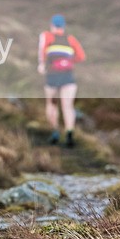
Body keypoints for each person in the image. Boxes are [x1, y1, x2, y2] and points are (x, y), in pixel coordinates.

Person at [38, 14, 86, 147]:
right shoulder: (71, 39)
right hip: (68, 76)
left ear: (52, 25)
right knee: (68, 106)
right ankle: (69, 133)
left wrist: (41, 65)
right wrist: (69, 61)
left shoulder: (47, 36)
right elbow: (82, 56)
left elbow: (42, 52)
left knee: (51, 104)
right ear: (64, 26)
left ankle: (55, 132)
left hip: (52, 75)